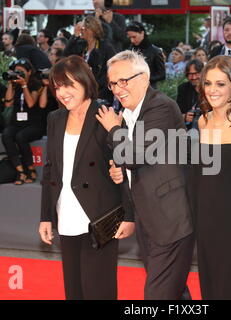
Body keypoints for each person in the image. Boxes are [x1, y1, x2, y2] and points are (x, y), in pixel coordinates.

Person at [96, 50, 194, 300]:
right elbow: (134, 164)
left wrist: (114, 129)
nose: (117, 89)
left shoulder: (160, 107)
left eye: (123, 81)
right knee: (175, 292)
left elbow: (134, 157)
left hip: (171, 220)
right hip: (150, 218)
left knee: (158, 295)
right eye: (112, 83)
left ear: (144, 78)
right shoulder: (130, 115)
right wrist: (119, 171)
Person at [39, 55, 135, 300]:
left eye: (69, 85)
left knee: (98, 289)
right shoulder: (55, 119)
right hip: (67, 214)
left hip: (101, 215)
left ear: (85, 82)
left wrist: (130, 215)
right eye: (57, 87)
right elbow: (49, 171)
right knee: (74, 290)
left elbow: (126, 166)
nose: (62, 93)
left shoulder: (105, 114)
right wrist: (46, 217)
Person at [188, 55, 231, 299]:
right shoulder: (204, 121)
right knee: (210, 281)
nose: (212, 90)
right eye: (208, 83)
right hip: (206, 216)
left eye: (220, 84)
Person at [1, 58, 44, 185]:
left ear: (29, 72)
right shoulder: (14, 84)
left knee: (21, 137)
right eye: (16, 71)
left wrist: (24, 85)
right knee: (7, 135)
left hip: (33, 123)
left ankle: (30, 169)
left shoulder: (35, 84)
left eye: (21, 71)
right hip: (17, 123)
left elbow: (31, 103)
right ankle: (20, 170)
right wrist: (10, 83)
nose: (18, 74)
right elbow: (8, 104)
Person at [64, 16, 116, 101]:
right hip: (82, 90)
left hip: (100, 92)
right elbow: (66, 55)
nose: (81, 31)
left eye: (83, 28)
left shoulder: (105, 47)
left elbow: (112, 69)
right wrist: (74, 36)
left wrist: (98, 85)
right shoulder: (81, 45)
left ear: (90, 30)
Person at [125, 21, 165, 89]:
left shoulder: (155, 51)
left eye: (134, 37)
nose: (132, 40)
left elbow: (162, 75)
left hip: (149, 89)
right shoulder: (129, 51)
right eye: (130, 38)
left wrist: (145, 79)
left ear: (142, 33)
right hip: (132, 88)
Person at [176, 59, 204, 130]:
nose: (193, 77)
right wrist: (185, 116)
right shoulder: (183, 88)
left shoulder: (210, 88)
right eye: (190, 74)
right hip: (188, 129)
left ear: (203, 73)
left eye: (196, 73)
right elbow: (177, 112)